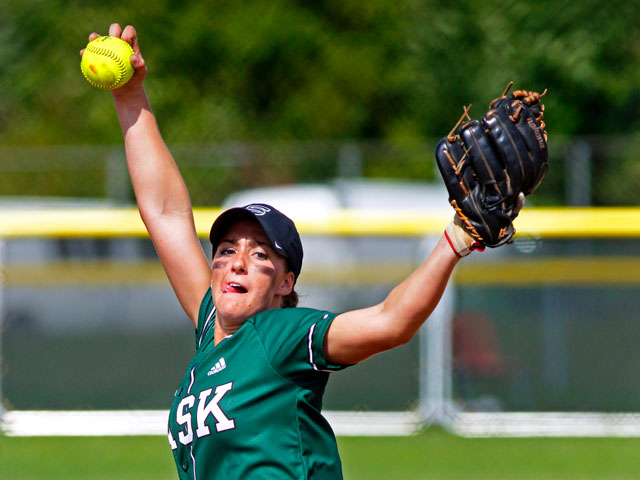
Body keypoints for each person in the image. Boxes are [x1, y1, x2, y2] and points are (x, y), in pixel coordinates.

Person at [83, 23, 474, 480]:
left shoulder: (279, 336)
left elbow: (391, 322)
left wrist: (456, 240)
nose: (238, 261)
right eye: (227, 249)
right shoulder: (211, 326)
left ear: (285, 284)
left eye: (261, 254)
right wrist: (130, 99)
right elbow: (166, 214)